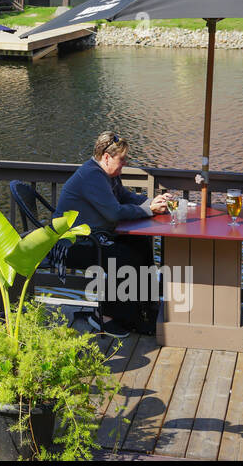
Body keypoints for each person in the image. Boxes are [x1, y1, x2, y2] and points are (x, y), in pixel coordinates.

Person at [54, 131, 173, 337]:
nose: (125, 163)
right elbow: (114, 212)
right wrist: (150, 209)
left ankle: (142, 309)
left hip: (94, 238)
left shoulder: (107, 175)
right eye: (122, 159)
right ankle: (105, 315)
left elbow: (125, 197)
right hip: (72, 245)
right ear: (107, 157)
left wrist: (155, 202)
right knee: (125, 256)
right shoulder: (92, 175)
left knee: (140, 243)